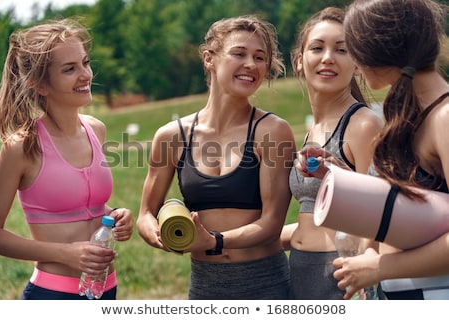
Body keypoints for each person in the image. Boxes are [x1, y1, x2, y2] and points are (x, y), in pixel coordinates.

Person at [137, 15, 295, 299]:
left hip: (266, 285)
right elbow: (146, 214)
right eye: (239, 53)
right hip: (204, 288)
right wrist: (161, 237)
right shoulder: (171, 136)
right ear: (210, 59)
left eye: (260, 58)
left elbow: (272, 224)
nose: (251, 64)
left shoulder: (272, 131)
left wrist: (214, 241)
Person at [0, 18, 133, 300]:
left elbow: (82, 206)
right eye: (70, 69)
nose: (86, 74)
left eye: (85, 62)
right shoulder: (22, 146)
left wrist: (114, 215)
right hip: (52, 295)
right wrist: (64, 253)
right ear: (40, 84)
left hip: (105, 291)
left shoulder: (96, 129)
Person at [332, 0, 449, 300]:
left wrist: (380, 267)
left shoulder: (445, 117)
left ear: (378, 52)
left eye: (354, 51)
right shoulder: (409, 116)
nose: (355, 66)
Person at [281, 7, 383, 299]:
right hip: (300, 272)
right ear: (300, 61)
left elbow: (380, 212)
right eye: (317, 48)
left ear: (358, 64)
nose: (328, 57)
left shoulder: (363, 123)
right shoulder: (313, 130)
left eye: (342, 49)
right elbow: (313, 217)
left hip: (339, 277)